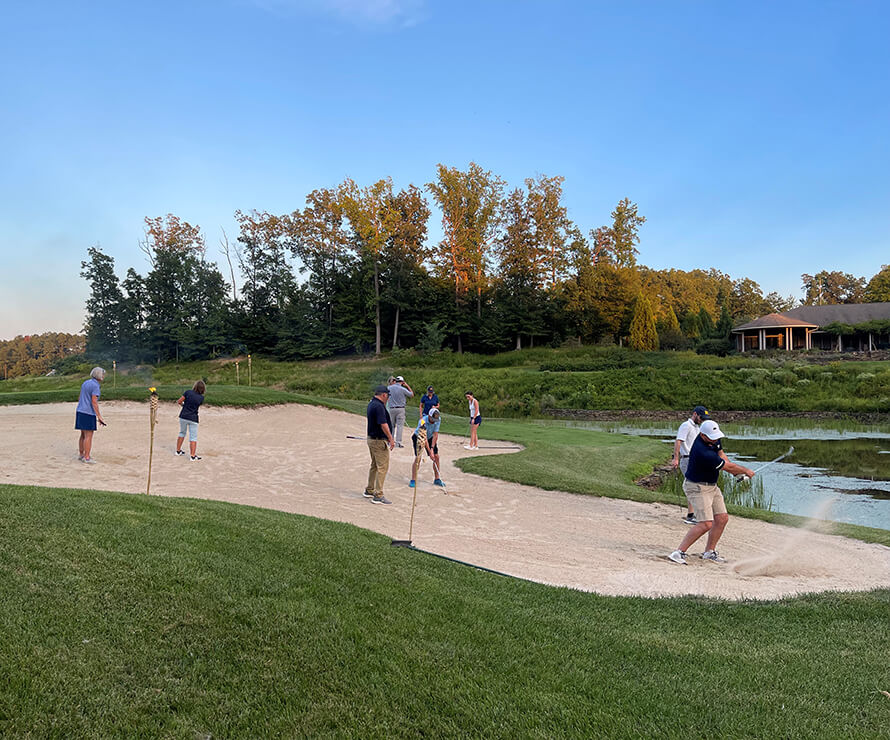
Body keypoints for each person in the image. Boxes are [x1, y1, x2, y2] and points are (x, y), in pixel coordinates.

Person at [668, 420, 755, 565]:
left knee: (722, 518)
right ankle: (678, 552)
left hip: (712, 486)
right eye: (712, 437)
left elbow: (721, 454)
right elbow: (727, 466)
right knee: (706, 523)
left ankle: (709, 552)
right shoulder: (703, 452)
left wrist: (736, 474)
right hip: (697, 487)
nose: (715, 439)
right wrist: (745, 471)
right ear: (702, 435)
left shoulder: (712, 438)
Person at [671, 405, 711, 525]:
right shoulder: (686, 426)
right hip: (687, 459)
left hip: (695, 459)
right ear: (694, 414)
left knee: (697, 485)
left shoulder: (697, 427)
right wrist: (676, 459)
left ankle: (692, 514)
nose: (702, 420)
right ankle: (691, 515)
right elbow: (678, 441)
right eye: (701, 417)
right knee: (693, 485)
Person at [364, 384, 395, 504]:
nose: (388, 398)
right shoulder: (379, 406)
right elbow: (383, 424)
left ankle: (370, 489)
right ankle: (378, 494)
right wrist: (390, 438)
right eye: (387, 396)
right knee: (382, 467)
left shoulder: (372, 403)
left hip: (372, 439)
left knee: (374, 466)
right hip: (378, 441)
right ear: (383, 395)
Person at [75, 366, 106, 464]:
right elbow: (94, 401)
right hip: (88, 413)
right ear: (99, 375)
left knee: (83, 434)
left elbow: (80, 397)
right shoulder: (95, 386)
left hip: (80, 411)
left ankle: (81, 454)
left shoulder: (85, 383)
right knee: (89, 435)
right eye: (103, 374)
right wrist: (99, 416)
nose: (104, 376)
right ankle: (87, 457)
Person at [409, 407, 445, 489]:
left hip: (430, 437)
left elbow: (435, 434)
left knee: (436, 457)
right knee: (418, 457)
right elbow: (424, 438)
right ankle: (413, 479)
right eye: (432, 419)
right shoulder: (422, 421)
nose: (433, 421)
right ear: (429, 416)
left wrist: (432, 449)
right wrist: (429, 452)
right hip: (419, 437)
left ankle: (437, 479)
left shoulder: (438, 419)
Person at [176, 380, 206, 461]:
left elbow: (179, 401)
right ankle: (192, 456)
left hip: (183, 416)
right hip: (193, 418)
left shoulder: (188, 392)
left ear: (195, 386)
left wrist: (184, 405)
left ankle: (178, 451)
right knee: (193, 437)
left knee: (182, 433)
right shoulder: (201, 398)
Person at [387, 375, 414, 448]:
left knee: (391, 426)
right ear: (402, 382)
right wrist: (407, 385)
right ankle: (398, 443)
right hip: (400, 409)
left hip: (391, 408)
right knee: (399, 426)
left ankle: (390, 441)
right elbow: (411, 394)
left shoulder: (389, 388)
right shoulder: (402, 389)